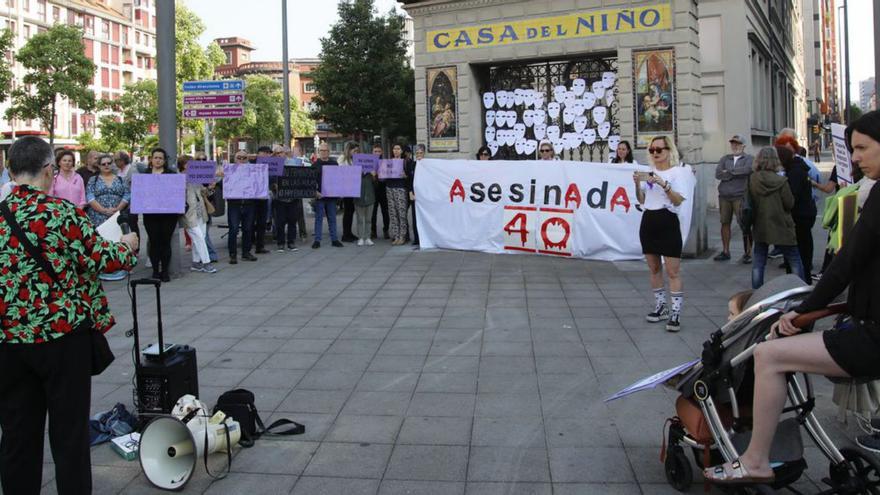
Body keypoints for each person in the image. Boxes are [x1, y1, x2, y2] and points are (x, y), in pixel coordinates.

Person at [704, 110, 880, 485]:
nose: (857, 158)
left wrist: (805, 309)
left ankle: (755, 460)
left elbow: (847, 262)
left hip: (873, 335)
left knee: (768, 355)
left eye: (863, 148)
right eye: (853, 149)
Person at [0, 135, 138, 495]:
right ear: (49, 170)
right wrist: (127, 247)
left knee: (16, 435)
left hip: (9, 342)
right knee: (69, 436)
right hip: (63, 339)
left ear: (10, 170)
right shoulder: (61, 214)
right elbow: (103, 259)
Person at [633, 136, 690, 332]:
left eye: (659, 149)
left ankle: (675, 313)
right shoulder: (649, 172)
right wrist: (636, 184)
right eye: (652, 150)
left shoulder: (677, 172)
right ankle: (661, 306)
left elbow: (678, 200)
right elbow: (641, 199)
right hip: (649, 219)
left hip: (667, 220)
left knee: (673, 270)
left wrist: (663, 184)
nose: (655, 153)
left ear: (668, 150)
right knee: (654, 268)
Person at [748, 147, 806, 288]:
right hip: (782, 224)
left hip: (761, 224)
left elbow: (750, 201)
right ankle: (800, 288)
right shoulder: (781, 181)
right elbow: (789, 203)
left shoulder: (753, 179)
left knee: (759, 260)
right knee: (794, 258)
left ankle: (757, 290)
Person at [775, 141, 817, 281]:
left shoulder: (796, 171)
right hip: (803, 214)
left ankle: (800, 282)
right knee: (801, 251)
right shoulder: (795, 169)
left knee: (798, 253)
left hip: (799, 216)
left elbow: (792, 196)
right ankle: (800, 280)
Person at [714, 135, 754, 263]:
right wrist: (735, 172)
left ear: (743, 145)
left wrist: (729, 171)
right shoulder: (725, 158)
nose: (735, 146)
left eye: (738, 143)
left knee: (744, 224)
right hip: (724, 196)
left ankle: (748, 252)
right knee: (724, 223)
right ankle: (726, 251)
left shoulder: (749, 158)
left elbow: (748, 170)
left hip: (740, 196)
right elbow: (718, 173)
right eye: (733, 143)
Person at [141, 148, 179, 281]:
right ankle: (155, 271)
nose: (157, 160)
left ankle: (165, 272)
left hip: (168, 215)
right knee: (154, 242)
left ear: (164, 161)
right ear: (151, 159)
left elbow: (176, 193)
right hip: (150, 215)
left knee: (165, 242)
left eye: (160, 158)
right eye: (155, 157)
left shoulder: (171, 175)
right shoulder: (144, 175)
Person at [177, 156, 217, 274]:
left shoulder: (195, 177)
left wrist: (210, 188)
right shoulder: (180, 178)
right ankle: (206, 263)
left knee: (199, 238)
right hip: (189, 214)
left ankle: (196, 262)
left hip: (200, 212)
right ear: (184, 165)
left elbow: (203, 192)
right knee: (199, 237)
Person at [225, 151, 258, 264]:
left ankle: (246, 253)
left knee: (248, 229)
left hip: (249, 204)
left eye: (245, 158)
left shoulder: (253, 171)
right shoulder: (228, 171)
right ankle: (233, 254)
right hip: (234, 204)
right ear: (235, 159)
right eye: (239, 157)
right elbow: (220, 184)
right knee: (233, 229)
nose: (242, 160)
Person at [312, 142, 344, 249]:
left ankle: (334, 239)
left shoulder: (334, 164)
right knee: (318, 218)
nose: (324, 152)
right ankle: (317, 240)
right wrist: (315, 192)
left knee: (332, 218)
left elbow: (338, 179)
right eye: (322, 150)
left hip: (331, 196)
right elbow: (310, 181)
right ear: (319, 152)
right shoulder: (315, 165)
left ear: (329, 152)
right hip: (319, 196)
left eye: (326, 150)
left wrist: (339, 191)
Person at [86, 153, 130, 227]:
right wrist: (103, 210)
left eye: (109, 163)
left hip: (117, 216)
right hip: (97, 217)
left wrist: (117, 209)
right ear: (99, 166)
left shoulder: (121, 179)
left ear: (112, 164)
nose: (106, 165)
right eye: (103, 164)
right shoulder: (93, 180)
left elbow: (127, 194)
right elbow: (90, 197)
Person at [385, 142, 411, 246]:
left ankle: (402, 236)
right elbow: (383, 176)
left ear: (402, 151)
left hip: (401, 189)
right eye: (394, 149)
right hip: (389, 188)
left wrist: (406, 176)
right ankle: (396, 236)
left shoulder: (406, 162)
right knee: (393, 213)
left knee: (401, 214)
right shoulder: (388, 162)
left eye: (398, 149)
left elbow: (410, 177)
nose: (396, 151)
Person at [252, 146, 272, 255]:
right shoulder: (252, 164)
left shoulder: (271, 165)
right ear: (259, 153)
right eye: (265, 153)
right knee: (250, 222)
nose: (267, 155)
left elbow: (273, 178)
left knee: (262, 223)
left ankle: (260, 246)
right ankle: (251, 242)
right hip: (252, 198)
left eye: (269, 153)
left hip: (263, 197)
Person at [338, 142, 359, 243]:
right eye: (354, 151)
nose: (355, 153)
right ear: (349, 150)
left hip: (352, 188)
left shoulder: (352, 159)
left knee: (350, 211)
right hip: (346, 189)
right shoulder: (342, 159)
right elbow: (341, 172)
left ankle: (349, 232)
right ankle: (345, 234)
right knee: (347, 212)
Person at [355, 153, 376, 246]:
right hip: (358, 198)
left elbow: (377, 184)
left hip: (370, 198)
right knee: (359, 219)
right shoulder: (355, 171)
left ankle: (367, 237)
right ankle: (360, 237)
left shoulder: (371, 172)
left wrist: (374, 175)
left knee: (368, 219)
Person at [370, 143, 390, 240]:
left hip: (383, 188)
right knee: (373, 212)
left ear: (382, 152)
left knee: (385, 211)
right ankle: (373, 231)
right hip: (373, 189)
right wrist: (372, 175)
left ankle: (386, 230)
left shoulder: (385, 162)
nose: (377, 153)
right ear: (372, 152)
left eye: (379, 151)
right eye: (375, 151)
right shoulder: (368, 163)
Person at [408, 144, 423, 247]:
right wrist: (410, 192)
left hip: (424, 194)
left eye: (421, 153)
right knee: (414, 217)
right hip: (414, 194)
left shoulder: (428, 165)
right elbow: (409, 179)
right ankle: (417, 238)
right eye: (417, 153)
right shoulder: (412, 165)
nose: (419, 155)